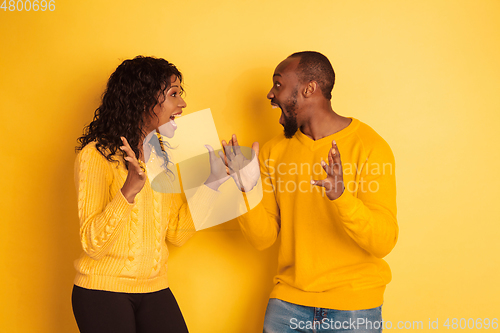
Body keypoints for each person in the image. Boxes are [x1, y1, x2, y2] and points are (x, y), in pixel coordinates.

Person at [223, 51, 398, 332]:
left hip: (353, 308)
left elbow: (384, 242)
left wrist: (342, 198)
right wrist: (247, 189)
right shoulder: (273, 151)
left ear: (309, 89)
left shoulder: (370, 146)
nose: (270, 94)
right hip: (286, 307)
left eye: (278, 84)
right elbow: (263, 238)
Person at [72, 56, 227, 333]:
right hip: (102, 292)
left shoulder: (161, 156)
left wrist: (212, 183)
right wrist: (128, 191)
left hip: (154, 289)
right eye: (173, 94)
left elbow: (176, 234)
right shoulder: (96, 155)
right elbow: (92, 244)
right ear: (143, 100)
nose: (182, 103)